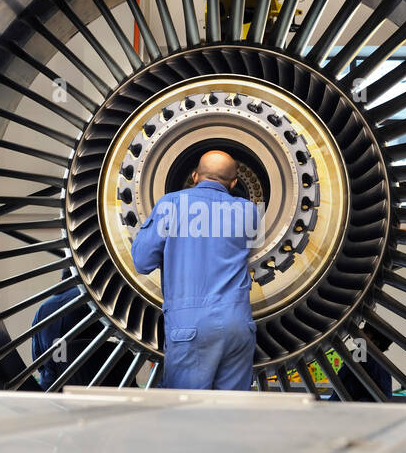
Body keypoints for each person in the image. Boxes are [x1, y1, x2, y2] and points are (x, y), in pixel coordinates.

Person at [130, 149, 261, 390]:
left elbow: (142, 261)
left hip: (189, 327)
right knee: (232, 414)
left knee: (187, 414)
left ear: (194, 176)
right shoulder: (249, 211)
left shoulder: (170, 205)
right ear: (234, 182)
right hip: (238, 326)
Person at [31, 268, 100, 389]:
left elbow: (37, 358)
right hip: (92, 387)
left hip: (51, 388)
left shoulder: (42, 309)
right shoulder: (92, 302)